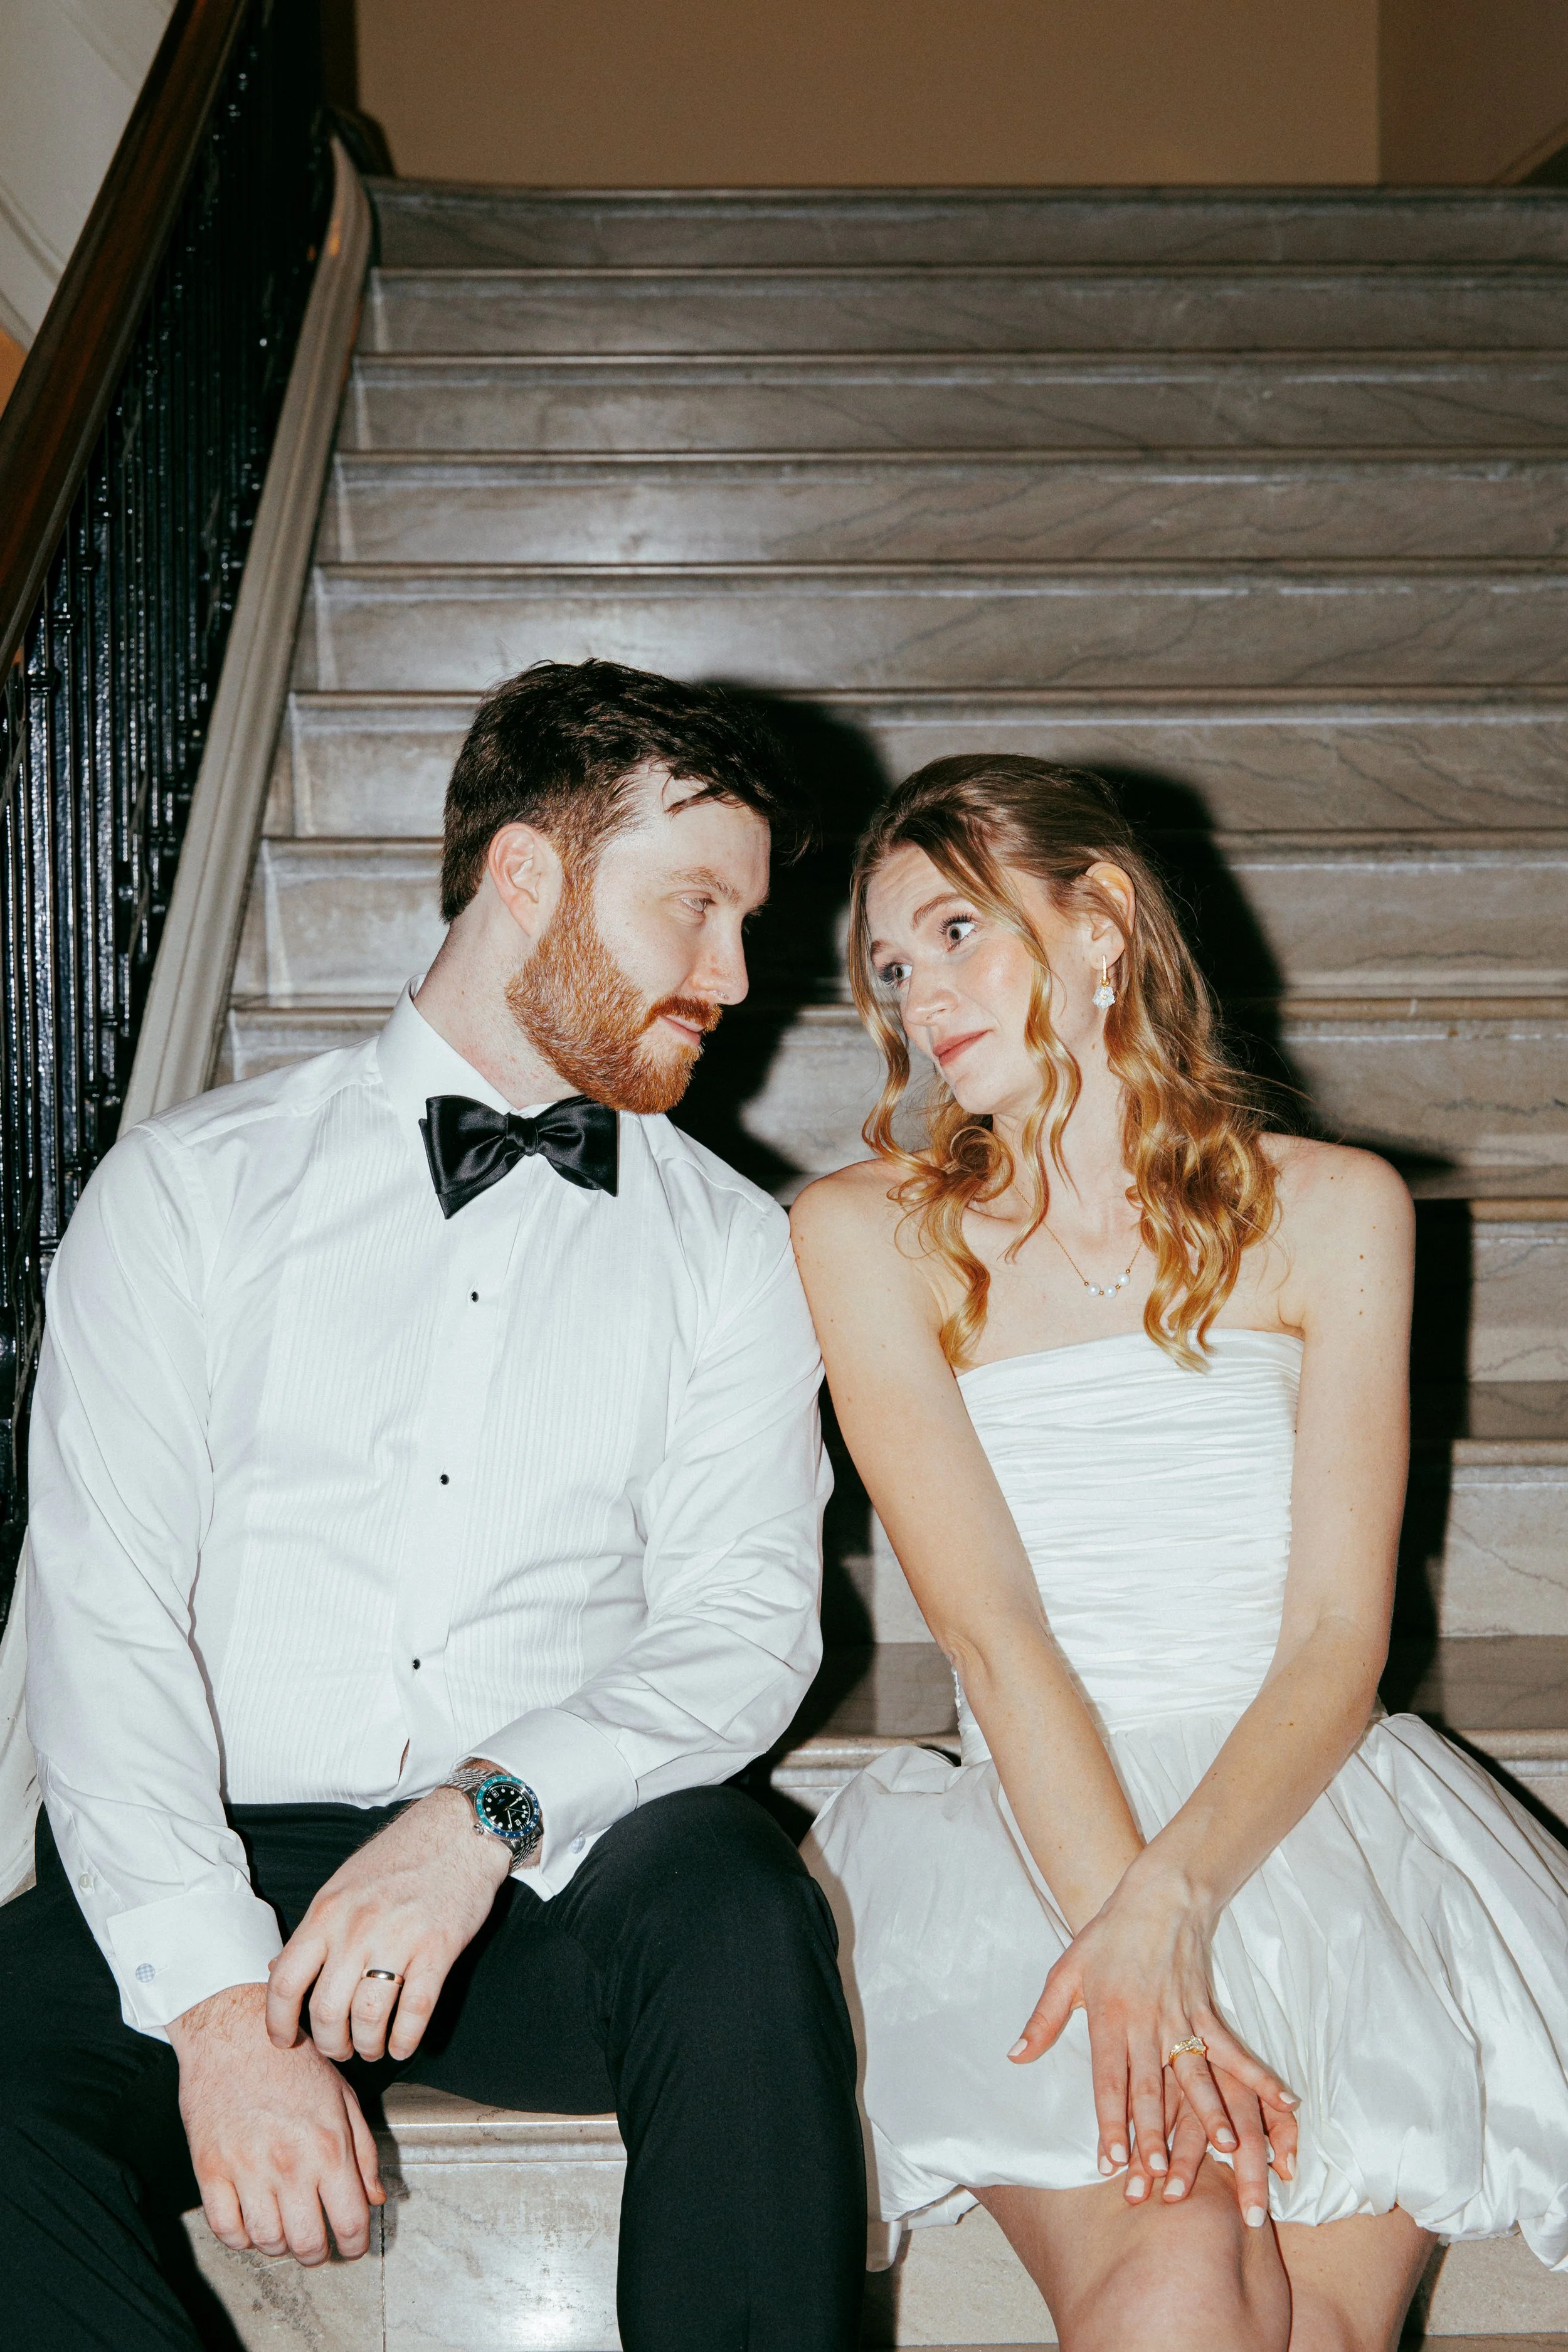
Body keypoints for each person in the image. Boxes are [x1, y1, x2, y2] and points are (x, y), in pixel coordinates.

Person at [0, 659, 866, 2352]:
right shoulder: (189, 1191)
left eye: (745, 923)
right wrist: (224, 2009)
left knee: (739, 1907)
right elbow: (98, 1621)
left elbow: (745, 1622)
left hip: (554, 1874)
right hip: (218, 1844)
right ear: (524, 874)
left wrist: (487, 1816)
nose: (735, 976)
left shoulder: (731, 1247)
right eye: (693, 906)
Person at [792, 754, 1568, 2352]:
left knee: (1319, 2333)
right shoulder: (862, 1230)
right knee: (1176, 2285)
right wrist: (1127, 1932)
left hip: (1303, 1807)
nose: (916, 997)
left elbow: (1337, 1634)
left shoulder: (1336, 1209)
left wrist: (1182, 1902)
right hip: (1031, 1820)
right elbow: (992, 1637)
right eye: (886, 965)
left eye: (955, 933)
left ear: (1101, 928)